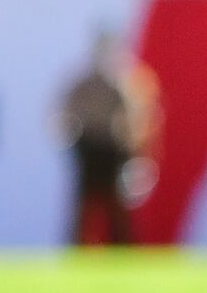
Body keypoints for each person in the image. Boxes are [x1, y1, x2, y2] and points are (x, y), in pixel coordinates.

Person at [57, 30, 154, 250]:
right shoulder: (83, 82)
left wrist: (132, 148)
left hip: (111, 150)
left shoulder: (118, 83)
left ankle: (122, 249)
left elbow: (132, 117)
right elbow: (65, 112)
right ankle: (79, 248)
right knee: (84, 206)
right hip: (88, 149)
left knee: (115, 206)